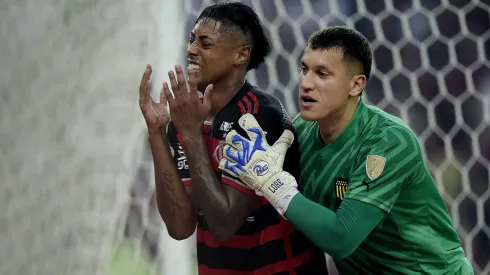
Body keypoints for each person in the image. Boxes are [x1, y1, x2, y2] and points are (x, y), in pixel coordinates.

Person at [218, 26, 474, 274]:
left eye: (322, 73)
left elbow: (341, 238)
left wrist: (272, 182)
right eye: (304, 69)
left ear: (356, 85)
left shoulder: (388, 141)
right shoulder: (300, 133)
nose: (306, 83)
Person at [138, 2, 328, 274]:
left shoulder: (260, 117)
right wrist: (157, 132)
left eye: (205, 43)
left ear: (241, 55)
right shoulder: (187, 118)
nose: (190, 49)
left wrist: (191, 135)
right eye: (192, 40)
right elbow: (180, 227)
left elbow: (224, 225)